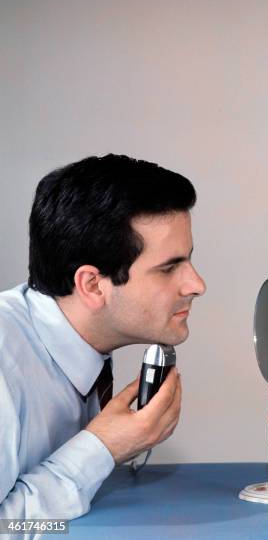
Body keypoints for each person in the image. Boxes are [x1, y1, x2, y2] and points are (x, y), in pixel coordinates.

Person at [0, 154, 206, 521]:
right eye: (169, 267)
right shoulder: (4, 367)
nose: (197, 285)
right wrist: (103, 447)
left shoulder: (87, 347)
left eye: (188, 260)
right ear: (93, 284)